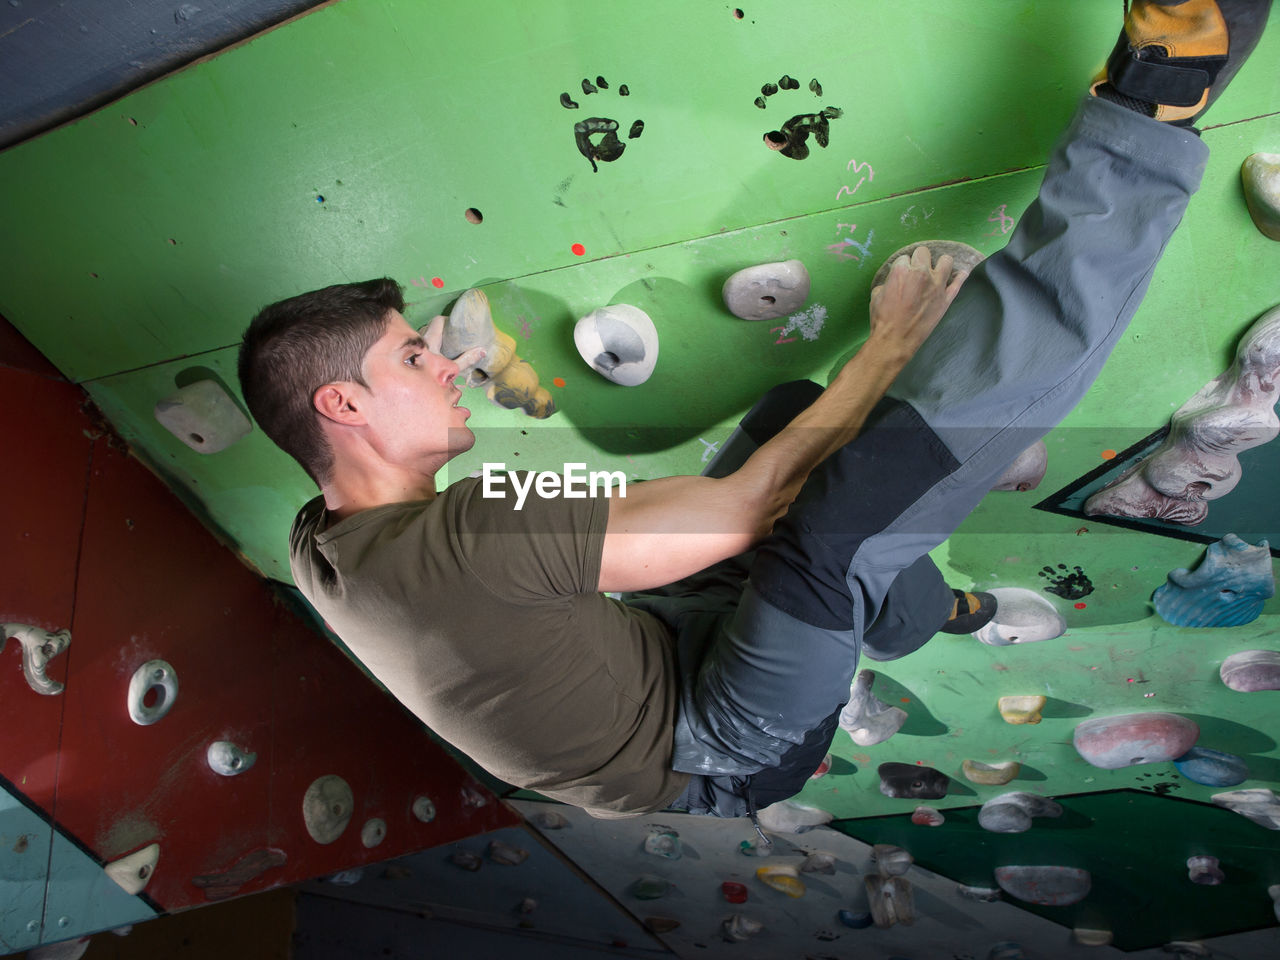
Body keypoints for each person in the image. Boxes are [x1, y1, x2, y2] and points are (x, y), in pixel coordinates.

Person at [239, 0, 1270, 823]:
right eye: (415, 356)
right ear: (341, 404)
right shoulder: (461, 535)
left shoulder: (324, 539)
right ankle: (1153, 103)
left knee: (789, 419)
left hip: (654, 639)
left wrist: (650, 509)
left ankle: (914, 612)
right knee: (835, 522)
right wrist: (892, 343)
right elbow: (739, 513)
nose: (451, 364)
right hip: (721, 748)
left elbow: (552, 525)